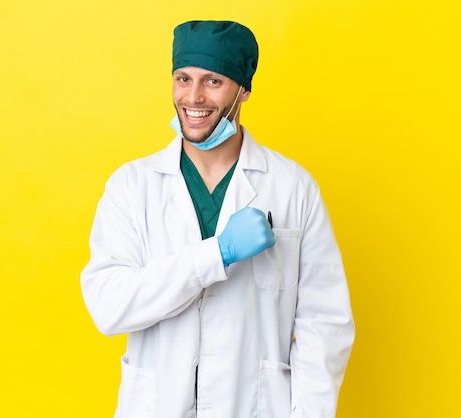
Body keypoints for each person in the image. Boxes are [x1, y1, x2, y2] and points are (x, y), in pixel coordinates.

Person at [81, 20, 355, 418]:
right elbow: (109, 306)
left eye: (213, 82)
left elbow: (324, 323)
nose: (193, 96)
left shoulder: (293, 187)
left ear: (242, 90)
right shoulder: (131, 186)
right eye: (183, 78)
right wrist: (217, 254)